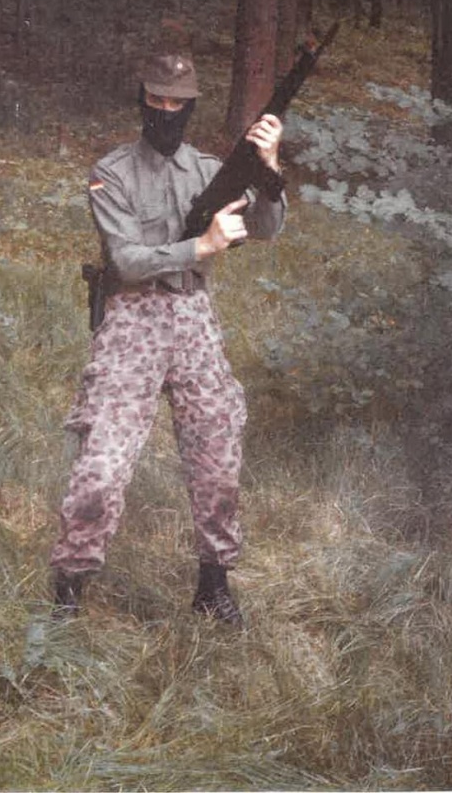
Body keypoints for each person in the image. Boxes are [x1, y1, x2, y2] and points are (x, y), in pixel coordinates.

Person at [49, 53, 285, 627]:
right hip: (132, 319)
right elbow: (127, 260)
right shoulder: (112, 172)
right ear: (142, 100)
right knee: (103, 461)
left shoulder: (209, 170)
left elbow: (266, 228)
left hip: (193, 316)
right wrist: (201, 246)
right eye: (156, 99)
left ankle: (213, 585)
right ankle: (68, 590)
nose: (166, 110)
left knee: (217, 451)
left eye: (177, 102)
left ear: (191, 107)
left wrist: (270, 167)